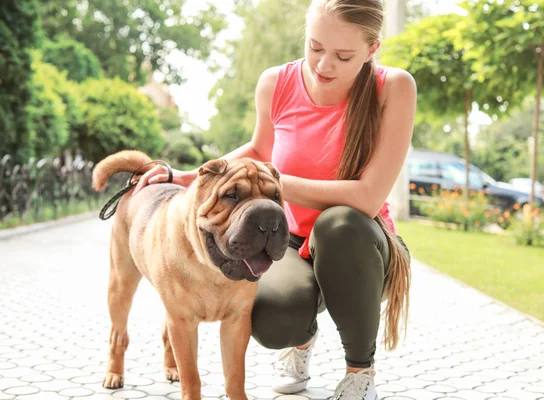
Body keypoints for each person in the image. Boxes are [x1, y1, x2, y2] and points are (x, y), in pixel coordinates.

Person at [133, 0, 416, 398]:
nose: (324, 65)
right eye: (315, 47)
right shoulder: (276, 82)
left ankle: (359, 372)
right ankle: (300, 341)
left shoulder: (395, 88)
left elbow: (367, 198)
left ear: (372, 50)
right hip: (290, 243)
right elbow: (257, 149)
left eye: (343, 55)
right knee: (269, 319)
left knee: (338, 224)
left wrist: (277, 182)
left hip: (359, 245)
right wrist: (188, 177)